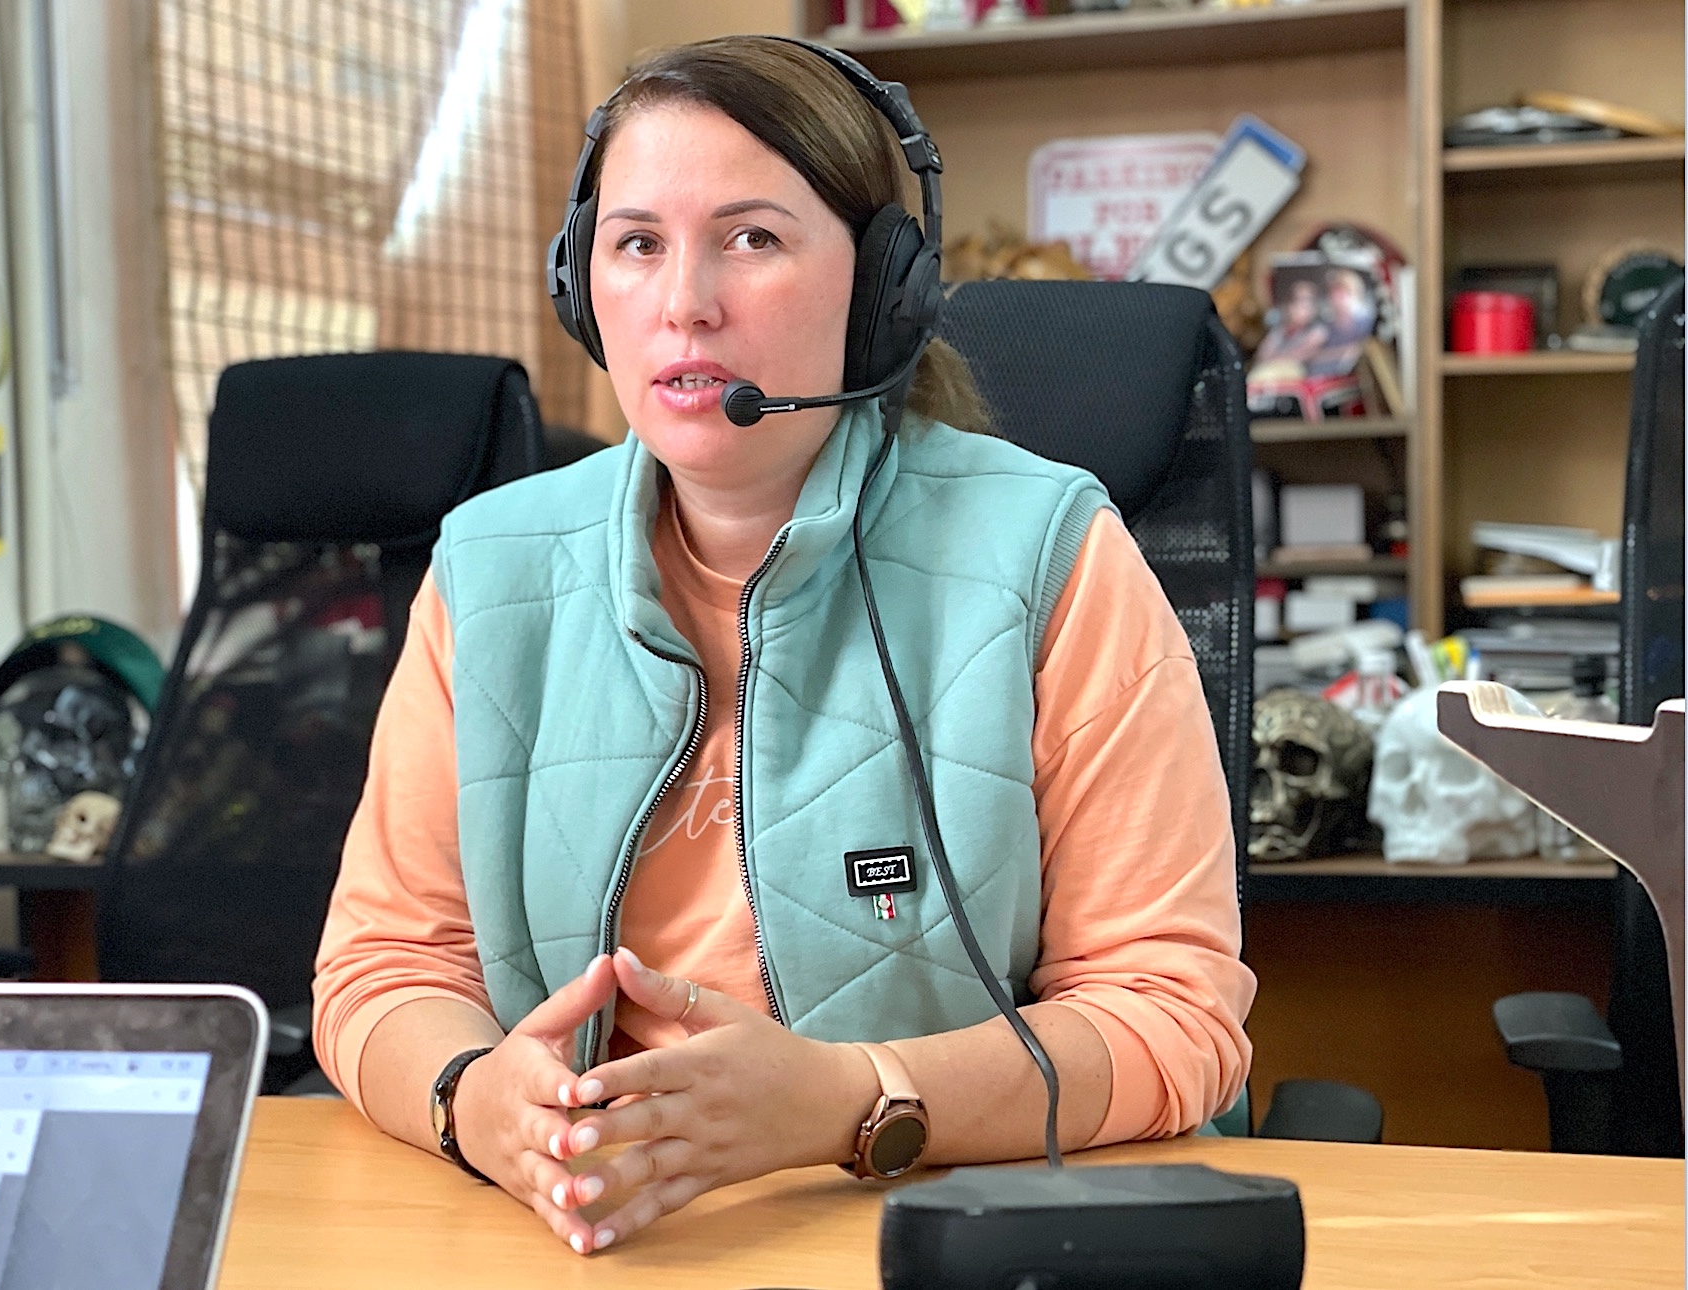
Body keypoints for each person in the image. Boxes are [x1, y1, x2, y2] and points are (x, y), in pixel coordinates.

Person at [312, 35, 1253, 1257]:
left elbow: (1170, 1013)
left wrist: (851, 1099)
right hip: (575, 1243)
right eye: (635, 244)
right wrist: (474, 1100)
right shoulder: (490, 569)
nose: (682, 302)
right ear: (580, 287)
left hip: (935, 1235)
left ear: (881, 291)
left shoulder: (1047, 552)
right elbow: (385, 965)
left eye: (750, 238)